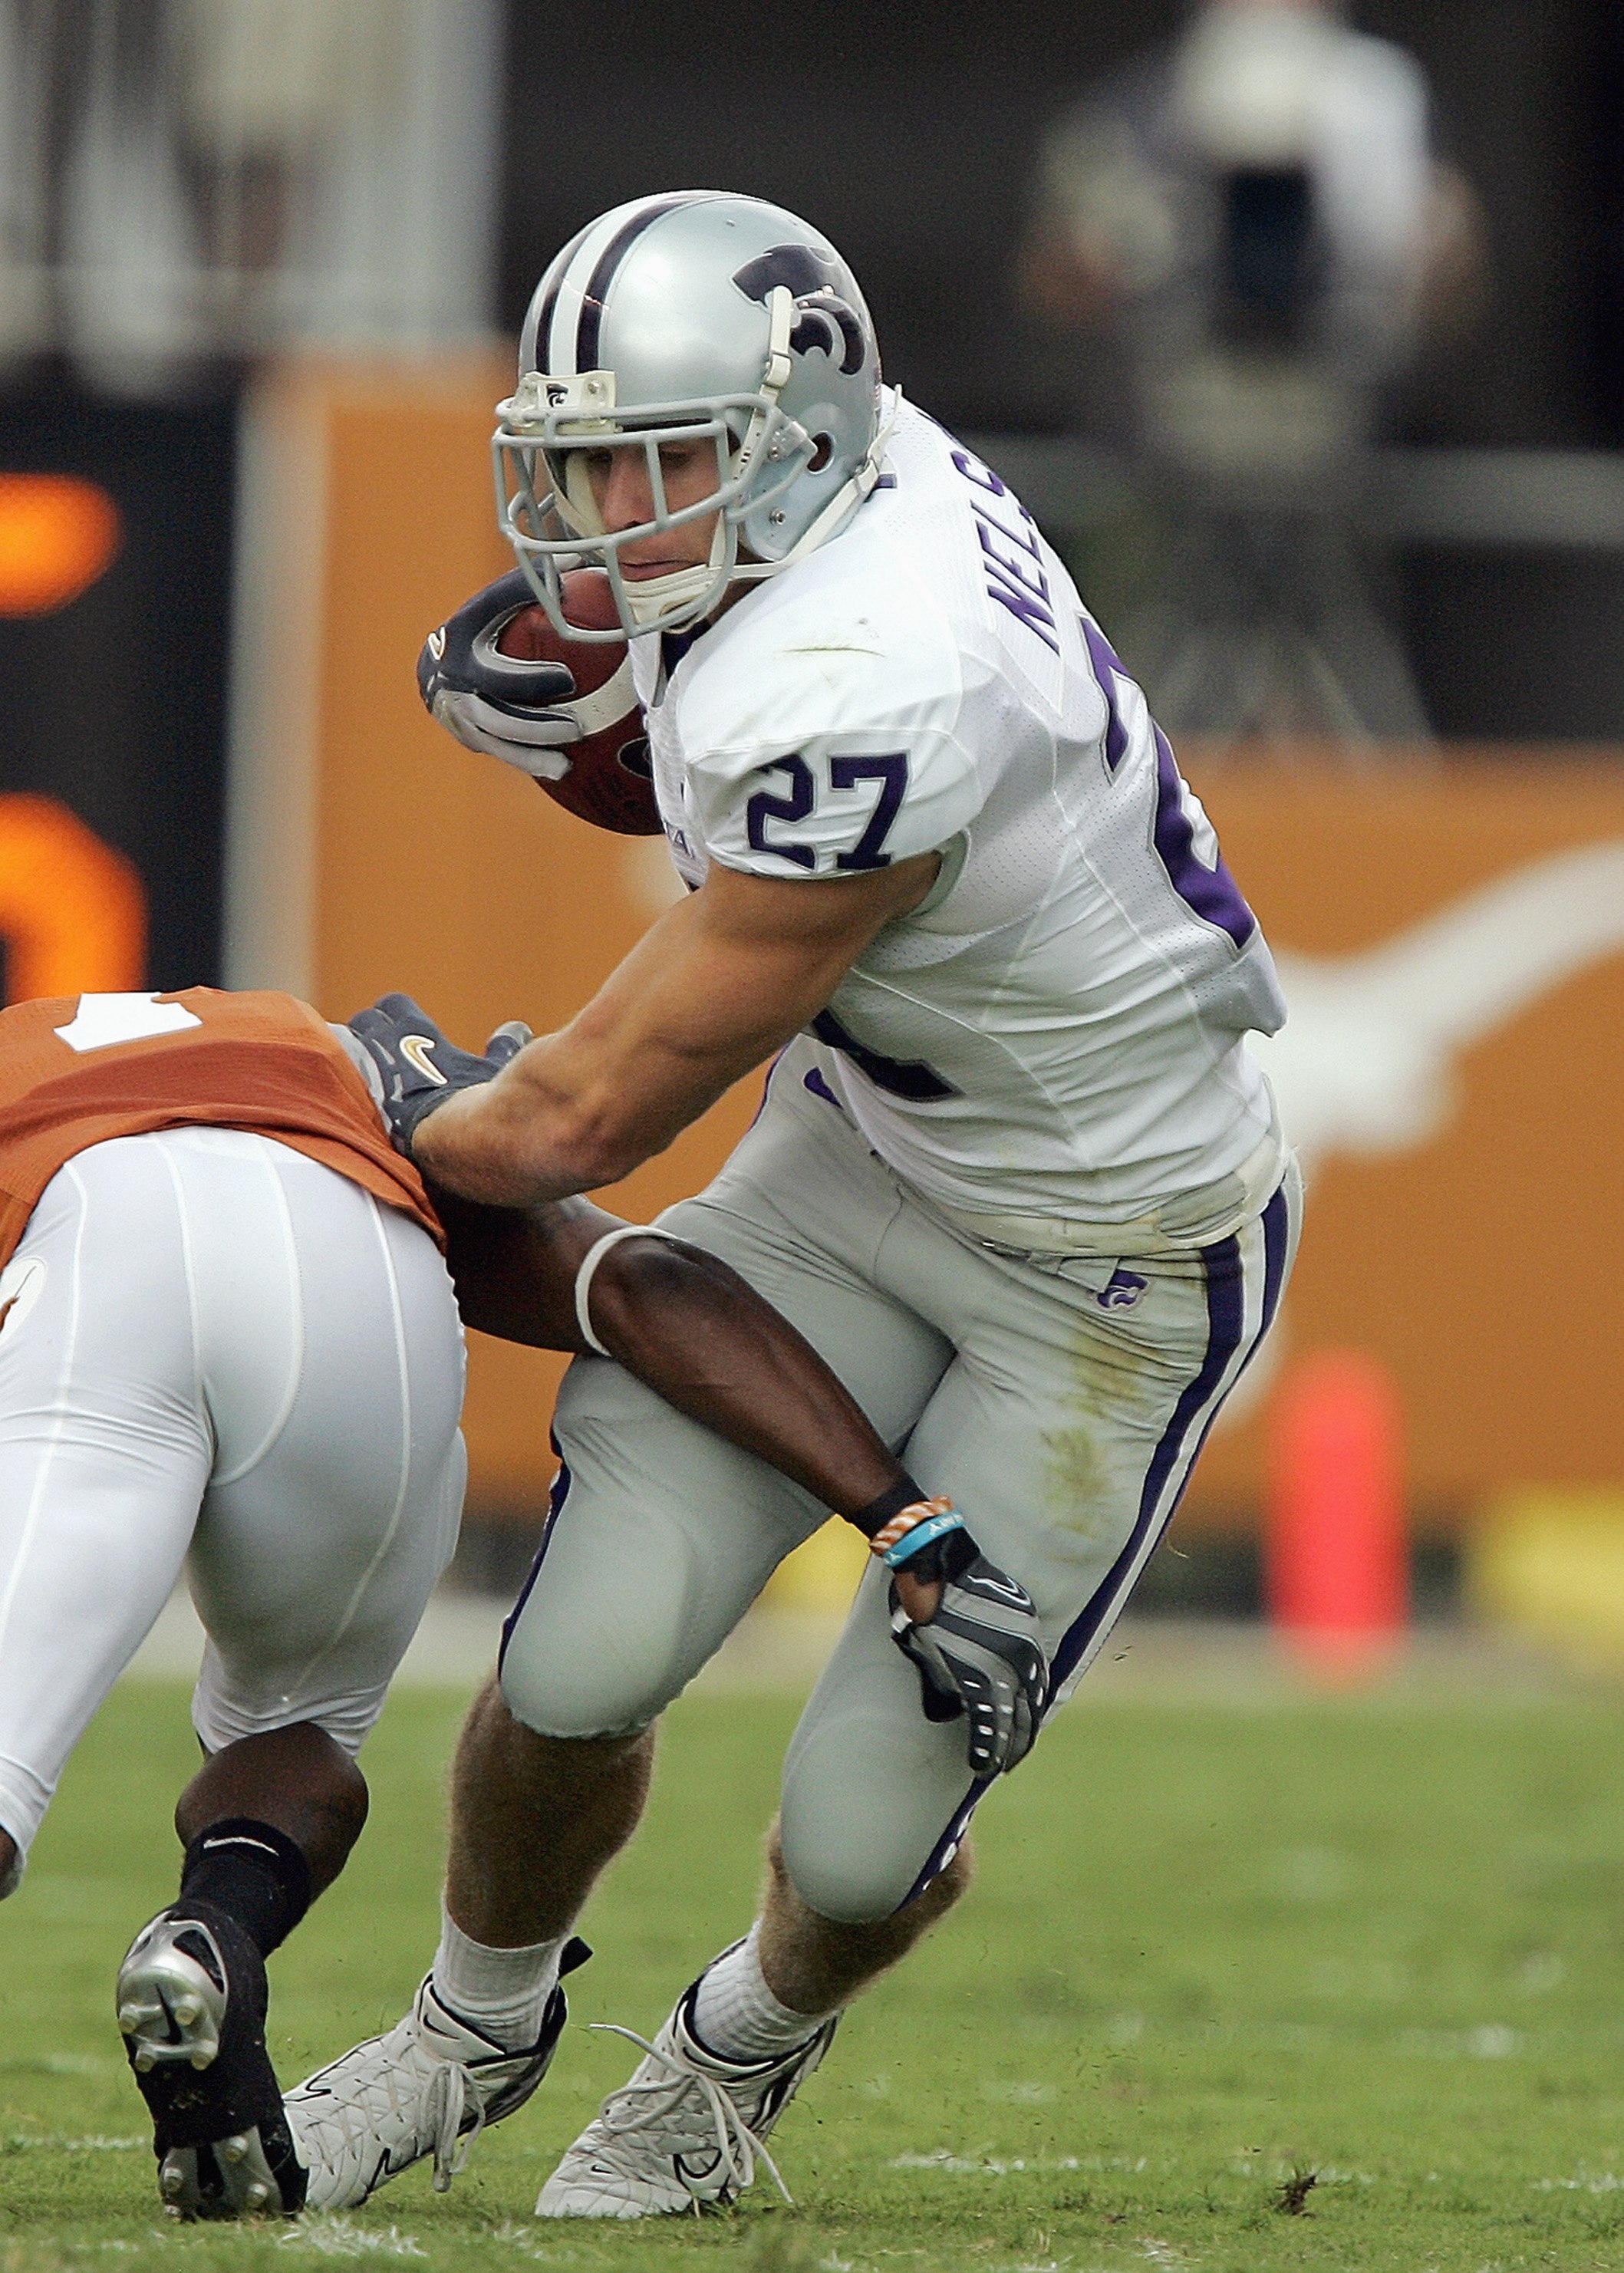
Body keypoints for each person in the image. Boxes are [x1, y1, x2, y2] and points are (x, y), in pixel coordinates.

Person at [291, 188, 1300, 2221]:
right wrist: (644, 727)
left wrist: (396, 1113)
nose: (597, 520)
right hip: (868, 1148)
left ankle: (727, 2053)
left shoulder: (867, 675)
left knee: (857, 1839)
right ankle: (471, 2027)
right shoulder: (858, 497)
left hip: (1105, 1268)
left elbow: (582, 1121)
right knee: (574, 1667)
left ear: (798, 436)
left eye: (651, 464)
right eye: (576, 462)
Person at [0, 982, 1021, 2219]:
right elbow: (639, 1287)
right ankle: (213, 1925)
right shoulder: (324, 1048)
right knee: (294, 1736)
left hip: (99, 1250)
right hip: (358, 1264)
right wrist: (893, 1504)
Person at [1019, 0, 1486, 740]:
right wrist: (1108, 262)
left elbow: (1444, 293)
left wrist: (1429, 264)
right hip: (1167, 459)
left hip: (1329, 449)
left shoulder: (1380, 109)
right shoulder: (1134, 116)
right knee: (1134, 663)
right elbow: (1057, 276)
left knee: (1343, 646)